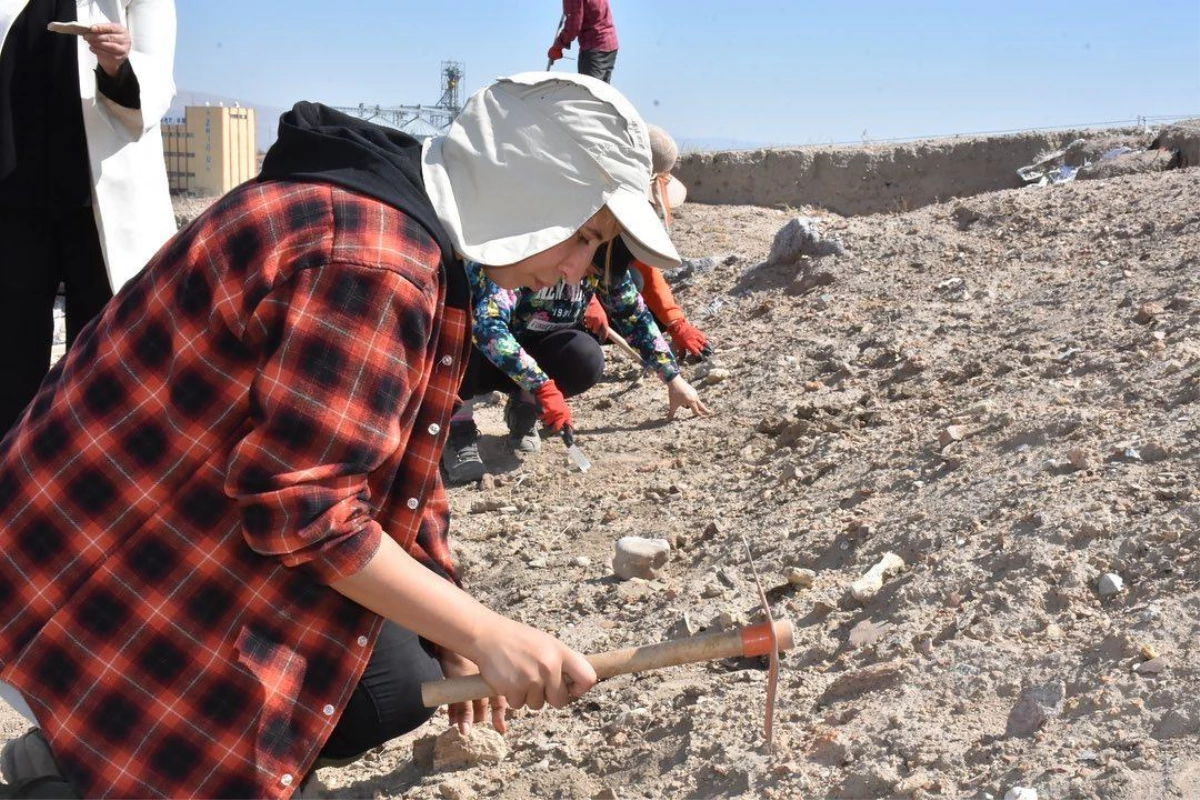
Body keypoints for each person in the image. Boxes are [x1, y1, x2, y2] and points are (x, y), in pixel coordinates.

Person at [0, 72, 680, 799]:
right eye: (584, 235)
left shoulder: (398, 223)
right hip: (100, 554)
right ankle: (84, 765)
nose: (576, 268)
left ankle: (85, 748)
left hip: (151, 510)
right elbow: (302, 510)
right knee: (340, 679)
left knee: (392, 680)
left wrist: (450, 620)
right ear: (529, 185)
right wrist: (488, 634)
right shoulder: (376, 263)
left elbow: (402, 466)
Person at [0, 0, 178, 433]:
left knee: (104, 361)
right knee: (8, 357)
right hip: (10, 192)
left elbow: (156, 83)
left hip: (101, 199)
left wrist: (118, 62)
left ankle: (89, 492)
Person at [441, 235, 709, 485]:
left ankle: (523, 407)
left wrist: (673, 378)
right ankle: (458, 427)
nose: (589, 279)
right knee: (465, 332)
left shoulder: (601, 264)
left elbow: (635, 317)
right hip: (477, 355)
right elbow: (488, 329)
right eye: (591, 272)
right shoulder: (527, 256)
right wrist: (543, 386)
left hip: (531, 348)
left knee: (584, 357)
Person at [584, 124, 714, 361]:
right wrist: (585, 301)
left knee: (639, 290)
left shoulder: (626, 222)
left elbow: (647, 268)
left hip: (595, 291)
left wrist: (676, 323)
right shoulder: (581, 205)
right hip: (544, 297)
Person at [547, 0, 618, 84]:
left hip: (594, 48)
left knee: (588, 93)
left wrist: (558, 46)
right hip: (610, 43)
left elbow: (573, 26)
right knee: (602, 93)